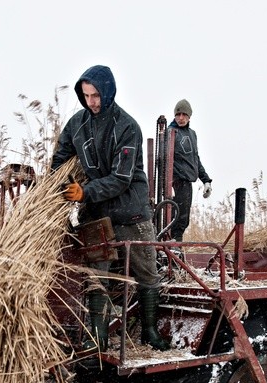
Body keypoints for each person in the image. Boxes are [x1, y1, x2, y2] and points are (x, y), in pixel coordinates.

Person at [52, 65, 170, 352]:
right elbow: (60, 158)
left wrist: (84, 192)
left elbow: (121, 178)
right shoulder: (77, 124)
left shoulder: (126, 127)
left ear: (107, 92)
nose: (91, 101)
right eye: (86, 95)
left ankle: (150, 332)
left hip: (131, 210)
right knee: (97, 276)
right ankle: (98, 339)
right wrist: (61, 182)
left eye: (95, 95)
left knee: (146, 272)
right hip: (95, 212)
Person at [166, 99, 213, 242]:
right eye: (178, 114)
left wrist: (206, 180)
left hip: (187, 182)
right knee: (176, 218)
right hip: (176, 182)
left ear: (189, 116)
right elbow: (162, 159)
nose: (180, 118)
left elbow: (195, 159)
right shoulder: (169, 133)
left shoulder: (192, 134)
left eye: (184, 114)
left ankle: (176, 245)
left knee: (184, 218)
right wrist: (170, 183)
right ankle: (173, 246)